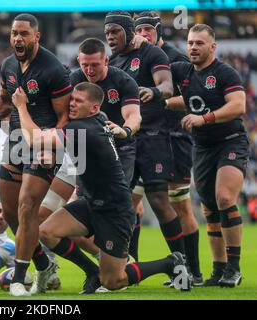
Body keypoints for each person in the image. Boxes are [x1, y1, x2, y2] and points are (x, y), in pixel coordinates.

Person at [12, 81, 191, 294]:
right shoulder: (97, 120)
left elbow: (35, 138)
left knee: (114, 280)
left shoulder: (81, 127)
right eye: (72, 99)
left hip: (115, 211)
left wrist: (21, 106)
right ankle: (92, 272)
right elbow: (79, 148)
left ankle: (170, 262)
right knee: (46, 232)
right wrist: (52, 157)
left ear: (94, 107)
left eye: (79, 101)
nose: (72, 104)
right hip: (91, 203)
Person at [0, 13, 72, 296]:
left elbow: (64, 116)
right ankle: (43, 265)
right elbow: (6, 101)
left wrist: (53, 146)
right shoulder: (9, 65)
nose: (18, 38)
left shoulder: (52, 68)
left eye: (24, 34)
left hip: (43, 145)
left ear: (36, 37)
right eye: (14, 33)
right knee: (11, 213)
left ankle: (19, 279)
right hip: (15, 142)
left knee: (27, 207)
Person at [38, 38, 141, 292]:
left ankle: (154, 261)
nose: (89, 70)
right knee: (47, 224)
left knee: (114, 281)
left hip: (113, 154)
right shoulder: (75, 84)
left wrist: (125, 130)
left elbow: (134, 115)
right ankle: (93, 268)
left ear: (106, 60)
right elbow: (60, 115)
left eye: (94, 64)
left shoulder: (122, 81)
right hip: (78, 150)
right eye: (84, 65)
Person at [168, 24, 248, 287]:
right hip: (201, 147)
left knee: (225, 197)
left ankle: (234, 269)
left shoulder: (225, 72)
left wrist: (205, 118)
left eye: (199, 43)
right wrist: (162, 101)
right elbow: (188, 98)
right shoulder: (183, 71)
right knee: (209, 208)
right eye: (190, 42)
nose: (193, 47)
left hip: (230, 141)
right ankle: (218, 270)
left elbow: (238, 105)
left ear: (213, 47)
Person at [105, 11, 186, 260]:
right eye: (107, 33)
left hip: (153, 136)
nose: (110, 37)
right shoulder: (113, 62)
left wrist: (153, 91)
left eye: (115, 31)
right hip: (124, 139)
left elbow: (167, 86)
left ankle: (181, 263)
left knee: (160, 200)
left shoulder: (151, 53)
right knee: (123, 204)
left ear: (128, 31)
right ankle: (128, 264)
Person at [132, 11, 202, 285]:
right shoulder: (134, 57)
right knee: (130, 204)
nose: (144, 34)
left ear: (159, 32)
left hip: (174, 137)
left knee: (180, 205)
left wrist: (157, 101)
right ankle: (131, 269)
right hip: (144, 139)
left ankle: (192, 272)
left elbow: (192, 98)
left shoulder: (176, 59)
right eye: (140, 30)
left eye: (149, 29)